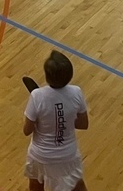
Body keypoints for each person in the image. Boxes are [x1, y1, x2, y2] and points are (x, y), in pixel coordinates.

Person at [23, 50, 89, 191]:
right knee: (78, 187)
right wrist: (64, 120)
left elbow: (27, 130)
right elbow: (83, 124)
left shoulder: (37, 96)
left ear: (47, 76)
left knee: (35, 185)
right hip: (67, 157)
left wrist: (46, 121)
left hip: (40, 156)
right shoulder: (76, 92)